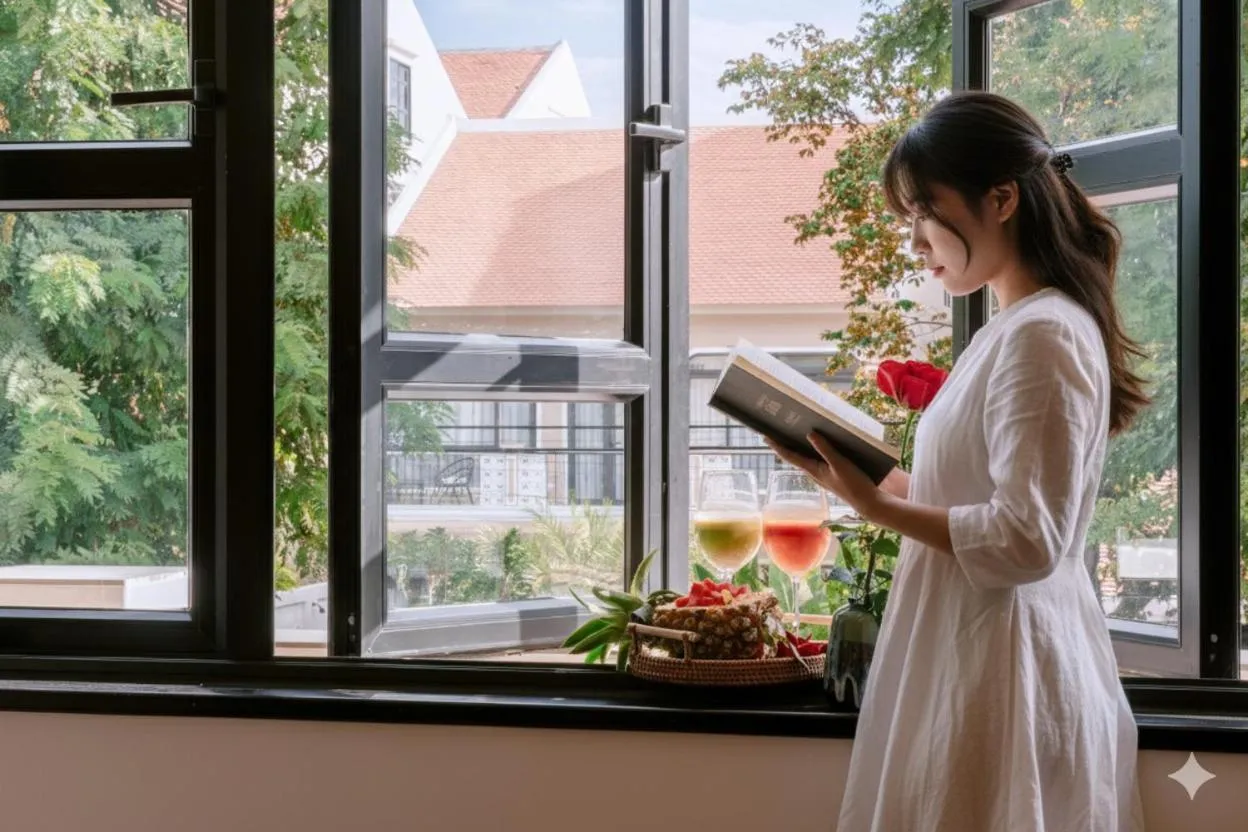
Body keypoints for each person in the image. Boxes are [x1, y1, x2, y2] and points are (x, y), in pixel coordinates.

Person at [767, 90, 1147, 831]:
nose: (915, 241)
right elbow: (967, 497)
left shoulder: (1043, 334)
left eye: (924, 212)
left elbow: (1026, 539)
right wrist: (863, 476)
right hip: (974, 658)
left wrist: (879, 508)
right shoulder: (1010, 329)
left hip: (1004, 672)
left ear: (1001, 199)